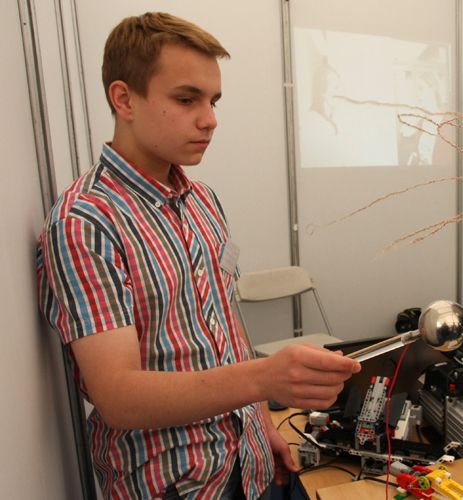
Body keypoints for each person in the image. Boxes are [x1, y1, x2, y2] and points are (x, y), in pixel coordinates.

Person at [35, 12, 360, 500]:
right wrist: (264, 378)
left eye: (213, 100)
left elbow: (224, 327)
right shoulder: (85, 222)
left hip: (250, 463)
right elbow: (118, 396)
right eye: (186, 99)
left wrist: (261, 426)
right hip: (179, 484)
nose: (209, 119)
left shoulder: (202, 201)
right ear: (124, 99)